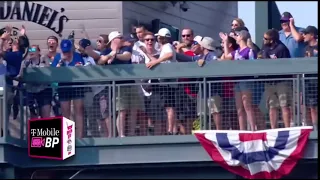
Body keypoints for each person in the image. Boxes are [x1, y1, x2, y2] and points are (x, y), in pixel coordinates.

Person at [141, 28, 178, 135]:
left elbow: (169, 55)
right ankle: (168, 129)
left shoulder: (167, 46)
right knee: (166, 106)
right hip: (165, 81)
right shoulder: (164, 48)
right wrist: (147, 54)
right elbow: (157, 63)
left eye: (158, 37)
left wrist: (157, 61)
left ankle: (170, 130)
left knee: (169, 106)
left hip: (168, 82)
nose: (157, 38)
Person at [220, 30, 257, 131]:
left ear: (241, 37)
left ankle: (253, 128)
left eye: (237, 35)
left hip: (246, 80)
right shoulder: (236, 52)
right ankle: (242, 129)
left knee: (247, 106)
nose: (236, 37)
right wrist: (226, 42)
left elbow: (253, 65)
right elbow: (227, 58)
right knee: (239, 107)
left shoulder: (249, 51)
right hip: (237, 81)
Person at [52, 39, 85, 138]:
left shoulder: (77, 56)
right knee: (65, 111)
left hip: (77, 85)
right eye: (64, 51)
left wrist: (80, 67)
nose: (67, 53)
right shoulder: (58, 57)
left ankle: (79, 136)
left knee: (78, 110)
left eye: (68, 51)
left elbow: (83, 68)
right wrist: (61, 61)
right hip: (64, 86)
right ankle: (68, 137)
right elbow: (53, 72)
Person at [260, 29, 291, 129]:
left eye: (265, 38)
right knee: (272, 106)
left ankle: (287, 128)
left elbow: (286, 65)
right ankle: (273, 129)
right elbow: (260, 58)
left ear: (272, 40)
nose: (263, 40)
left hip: (282, 81)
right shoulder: (264, 48)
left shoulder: (281, 48)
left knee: (284, 105)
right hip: (270, 81)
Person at [16, 45, 51, 118]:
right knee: (33, 116)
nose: (31, 52)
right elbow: (20, 75)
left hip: (44, 90)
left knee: (45, 115)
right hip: (31, 90)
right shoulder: (25, 63)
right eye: (30, 50)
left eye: (33, 50)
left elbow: (49, 73)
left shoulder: (45, 60)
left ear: (38, 51)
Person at [302, 26, 318, 129]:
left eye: (306, 34)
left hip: (315, 80)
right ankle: (311, 128)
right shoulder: (306, 48)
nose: (304, 36)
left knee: (314, 107)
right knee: (308, 106)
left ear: (312, 35)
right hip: (308, 81)